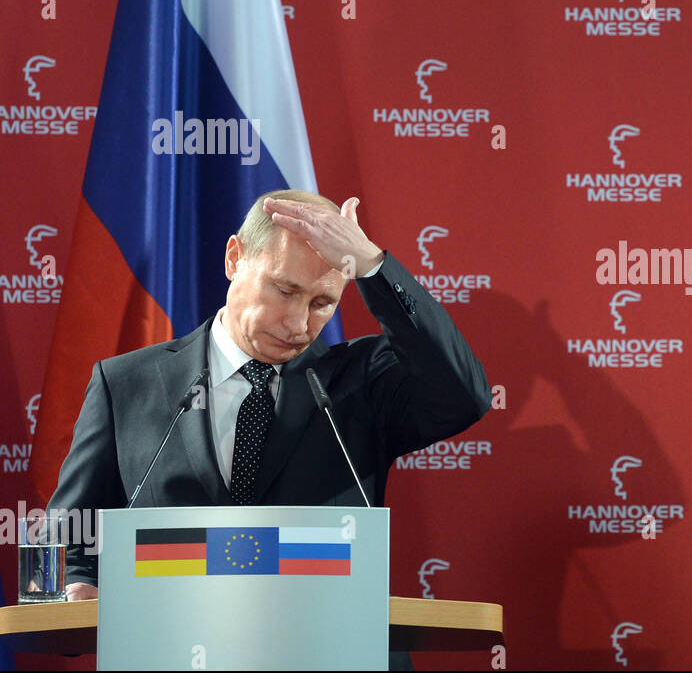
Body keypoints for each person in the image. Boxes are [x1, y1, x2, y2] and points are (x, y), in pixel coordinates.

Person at [47, 190, 492, 603]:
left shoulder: (360, 384)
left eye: (322, 303)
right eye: (286, 290)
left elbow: (463, 394)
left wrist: (372, 266)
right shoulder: (126, 384)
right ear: (234, 258)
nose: (298, 323)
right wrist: (78, 584)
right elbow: (71, 538)